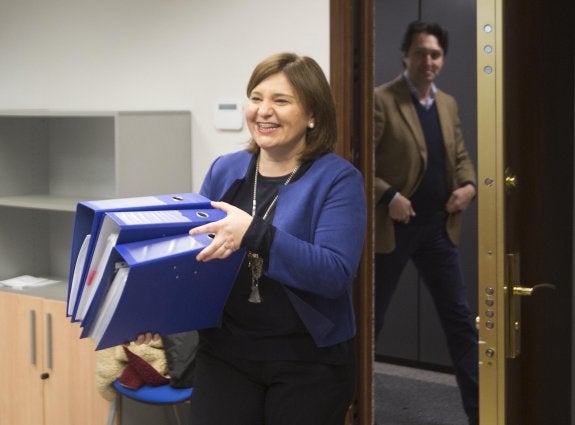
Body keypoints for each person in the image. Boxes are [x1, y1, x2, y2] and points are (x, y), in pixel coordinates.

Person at [139, 52, 367, 425]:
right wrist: (158, 312)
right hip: (226, 354)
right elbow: (195, 255)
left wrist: (254, 233)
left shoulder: (339, 179)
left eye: (281, 101)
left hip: (308, 363)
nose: (264, 111)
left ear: (313, 115)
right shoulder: (225, 169)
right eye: (257, 98)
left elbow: (334, 273)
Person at [373, 21, 479, 425]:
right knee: (371, 322)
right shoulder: (382, 100)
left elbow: (462, 155)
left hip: (438, 229)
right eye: (421, 53)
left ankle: (479, 414)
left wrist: (469, 186)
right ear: (405, 55)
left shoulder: (448, 103)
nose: (428, 61)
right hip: (393, 229)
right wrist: (389, 196)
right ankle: (353, 406)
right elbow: (361, 164)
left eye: (435, 54)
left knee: (460, 322)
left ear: (443, 58)